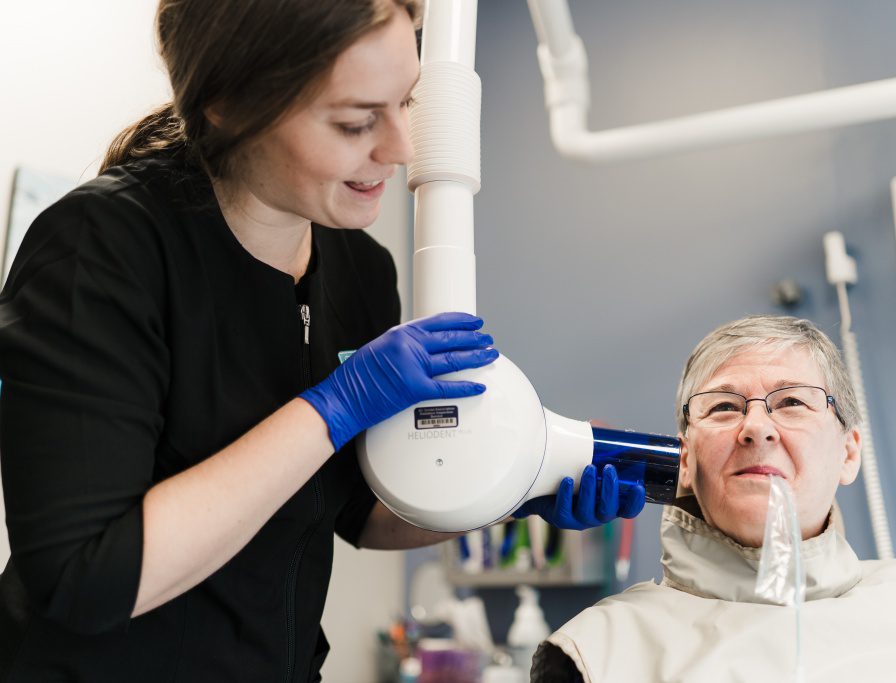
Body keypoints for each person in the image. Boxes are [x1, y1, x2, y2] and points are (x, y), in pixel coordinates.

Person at [0, 2, 643, 681]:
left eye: (407, 102)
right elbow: (88, 579)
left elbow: (360, 510)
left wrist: (507, 490)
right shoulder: (100, 250)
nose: (401, 147)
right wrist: (331, 407)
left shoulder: (360, 270)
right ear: (229, 105)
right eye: (356, 121)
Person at [531, 315, 896, 683]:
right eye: (724, 407)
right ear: (685, 458)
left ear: (849, 452)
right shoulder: (595, 653)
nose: (756, 428)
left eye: (792, 402)